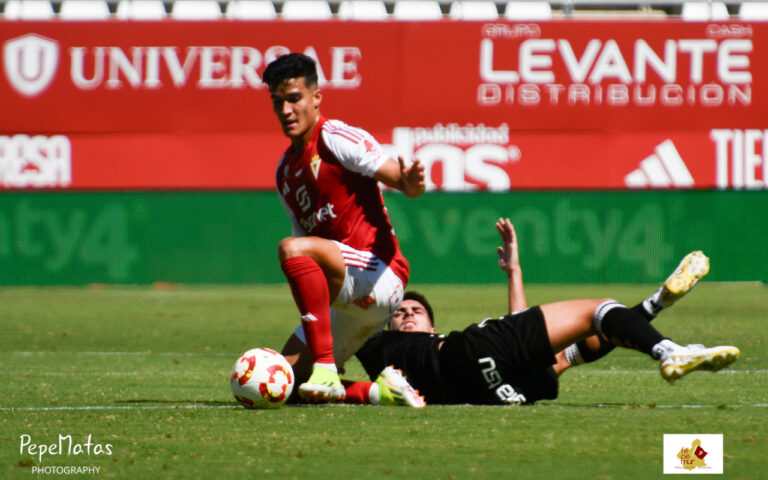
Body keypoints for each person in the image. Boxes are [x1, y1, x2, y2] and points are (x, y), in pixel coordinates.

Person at [356, 218, 741, 405]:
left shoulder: (399, 352)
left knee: (565, 354)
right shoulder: (376, 343)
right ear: (387, 322)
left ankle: (657, 303)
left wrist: (514, 272)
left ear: (432, 326)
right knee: (598, 309)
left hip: (501, 391)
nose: (407, 313)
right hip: (471, 360)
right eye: (400, 312)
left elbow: (520, 334)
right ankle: (668, 348)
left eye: (416, 310)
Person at [262, 53, 426, 405]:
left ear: (316, 98)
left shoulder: (336, 138)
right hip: (346, 294)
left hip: (379, 274)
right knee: (283, 385)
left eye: (294, 99)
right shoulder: (285, 173)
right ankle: (379, 392)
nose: (286, 110)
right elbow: (309, 253)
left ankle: (325, 367)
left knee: (292, 248)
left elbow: (398, 178)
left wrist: (409, 184)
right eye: (278, 102)